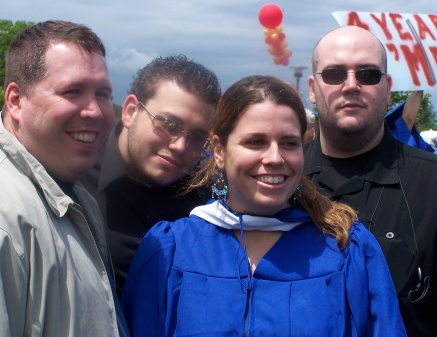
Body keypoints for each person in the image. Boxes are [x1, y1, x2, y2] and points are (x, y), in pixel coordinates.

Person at [121, 75, 406, 336]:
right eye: (255, 142)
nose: (274, 157)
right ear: (219, 150)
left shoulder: (347, 249)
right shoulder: (170, 249)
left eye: (289, 143)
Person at [0, 20, 129, 336]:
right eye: (72, 91)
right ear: (15, 101)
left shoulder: (72, 195)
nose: (95, 111)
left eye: (103, 94)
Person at [306, 25, 437, 337]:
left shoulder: (431, 183)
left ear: (388, 87)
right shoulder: (277, 181)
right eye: (334, 74)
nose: (351, 85)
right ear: (312, 88)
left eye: (368, 74)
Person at [82, 55, 221, 296]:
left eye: (197, 137)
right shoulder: (73, 180)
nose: (180, 145)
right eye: (168, 124)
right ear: (130, 111)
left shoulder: (206, 196)